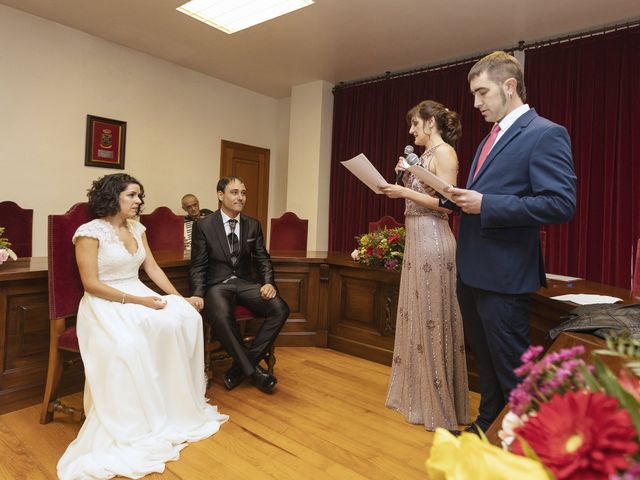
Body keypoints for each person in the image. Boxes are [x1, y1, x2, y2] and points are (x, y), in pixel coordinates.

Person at [57, 174, 228, 480]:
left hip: (140, 294)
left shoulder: (138, 228)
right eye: (132, 195)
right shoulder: (89, 232)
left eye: (140, 196)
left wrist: (178, 298)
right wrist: (138, 301)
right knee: (129, 344)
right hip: (105, 304)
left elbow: (151, 267)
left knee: (184, 318)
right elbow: (91, 284)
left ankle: (170, 404)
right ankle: (135, 418)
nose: (139, 201)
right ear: (113, 196)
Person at [444, 51, 577, 434]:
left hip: (503, 275)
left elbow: (560, 203)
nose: (475, 103)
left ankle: (530, 446)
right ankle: (488, 424)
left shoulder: (545, 133)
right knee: (485, 362)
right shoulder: (492, 136)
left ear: (509, 86)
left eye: (482, 93)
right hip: (472, 270)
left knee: (512, 367)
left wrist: (486, 203)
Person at [379, 100, 470, 432]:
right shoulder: (425, 157)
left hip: (434, 241)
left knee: (433, 318)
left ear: (431, 123)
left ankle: (440, 404)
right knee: (417, 317)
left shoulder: (445, 153)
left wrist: (404, 189)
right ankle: (417, 397)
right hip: (417, 241)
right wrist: (406, 179)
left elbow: (447, 206)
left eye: (416, 123)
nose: (412, 130)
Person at [189, 176, 289, 394]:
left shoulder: (253, 225)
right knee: (222, 315)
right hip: (216, 285)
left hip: (244, 283)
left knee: (280, 308)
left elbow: (263, 259)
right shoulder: (204, 225)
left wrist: (269, 283)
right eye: (234, 192)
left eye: (243, 193)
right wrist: (197, 294)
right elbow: (198, 265)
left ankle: (240, 369)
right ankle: (254, 371)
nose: (240, 197)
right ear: (220, 195)